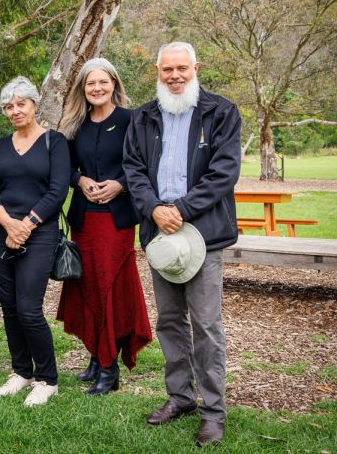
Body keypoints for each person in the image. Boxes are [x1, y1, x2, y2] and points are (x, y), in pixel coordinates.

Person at [123, 42, 241, 447]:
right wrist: (155, 209)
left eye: (182, 69)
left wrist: (182, 209)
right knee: (170, 321)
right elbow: (133, 169)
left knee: (206, 325)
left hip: (203, 235)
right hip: (160, 235)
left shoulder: (221, 112)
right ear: (156, 69)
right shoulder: (143, 117)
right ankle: (180, 397)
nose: (174, 76)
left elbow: (225, 172)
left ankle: (213, 412)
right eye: (167, 69)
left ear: (196, 67)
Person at [56, 58, 152, 396]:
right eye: (90, 83)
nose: (97, 88)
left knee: (108, 286)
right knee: (87, 286)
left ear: (114, 83)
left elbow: (145, 164)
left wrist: (120, 184)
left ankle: (110, 370)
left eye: (102, 82)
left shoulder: (132, 119)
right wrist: (80, 180)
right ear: (83, 88)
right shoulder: (75, 124)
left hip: (117, 220)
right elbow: (62, 168)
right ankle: (96, 357)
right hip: (84, 218)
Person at [0, 76, 70, 407]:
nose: (15, 110)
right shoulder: (0, 146)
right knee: (11, 308)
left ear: (34, 105)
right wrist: (8, 223)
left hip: (40, 234)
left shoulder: (54, 143)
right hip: (1, 233)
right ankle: (22, 371)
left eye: (21, 104)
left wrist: (27, 225)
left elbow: (58, 190)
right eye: (9, 106)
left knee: (30, 309)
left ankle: (47, 379)